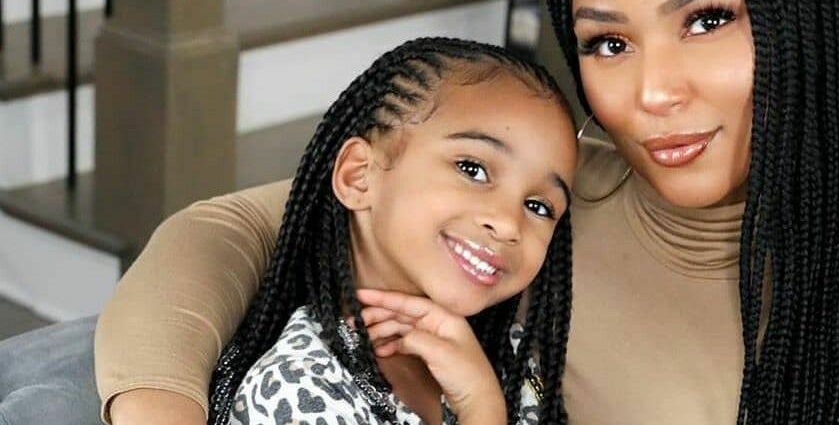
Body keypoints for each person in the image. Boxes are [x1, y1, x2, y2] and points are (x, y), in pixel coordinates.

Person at [94, 0, 839, 424]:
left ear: (802, 17)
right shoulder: (548, 192)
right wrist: (159, 404)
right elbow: (227, 229)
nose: (652, 91)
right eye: (609, 41)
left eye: (708, 19)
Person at [210, 37, 577, 425]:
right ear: (359, 176)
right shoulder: (296, 386)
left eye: (539, 206)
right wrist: (481, 408)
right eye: (472, 169)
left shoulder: (507, 355)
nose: (507, 224)